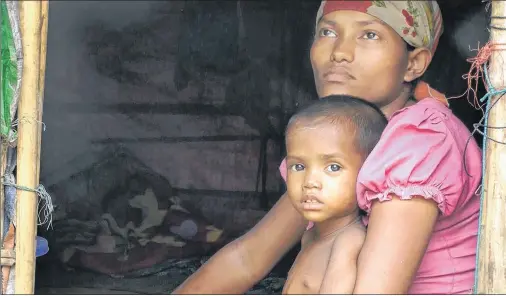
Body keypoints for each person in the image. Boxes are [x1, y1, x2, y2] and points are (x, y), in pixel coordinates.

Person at [173, 1, 482, 294]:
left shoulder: (421, 140)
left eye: (369, 35)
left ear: (413, 64)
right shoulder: (336, 134)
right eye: (328, 32)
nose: (340, 52)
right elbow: (248, 258)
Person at [281, 95, 387, 294]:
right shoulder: (310, 236)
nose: (309, 182)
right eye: (298, 166)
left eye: (333, 167)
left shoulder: (348, 240)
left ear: (367, 173)